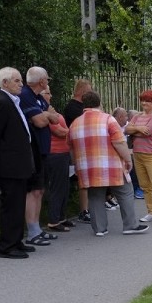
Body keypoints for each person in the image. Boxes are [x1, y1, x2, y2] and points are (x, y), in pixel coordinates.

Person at [68, 91, 148, 237]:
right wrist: (128, 160)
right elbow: (119, 142)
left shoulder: (75, 123)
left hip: (88, 167)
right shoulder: (108, 120)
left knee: (95, 196)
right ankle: (130, 225)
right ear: (100, 103)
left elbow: (72, 148)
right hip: (111, 165)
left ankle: (99, 228)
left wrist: (77, 165)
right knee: (125, 192)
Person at [0, 67, 37, 259]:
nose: (21, 84)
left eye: (21, 81)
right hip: (9, 163)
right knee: (11, 204)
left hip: (17, 162)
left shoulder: (12, 101)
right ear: (5, 83)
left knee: (18, 203)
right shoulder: (2, 103)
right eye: (17, 81)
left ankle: (16, 241)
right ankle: (6, 247)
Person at [20, 66, 61, 247]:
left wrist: (46, 115)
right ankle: (32, 231)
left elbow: (55, 117)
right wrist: (46, 115)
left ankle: (36, 228)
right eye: (47, 80)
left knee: (40, 190)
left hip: (43, 148)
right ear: (42, 81)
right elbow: (39, 121)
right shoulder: (26, 95)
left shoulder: (37, 98)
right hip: (33, 149)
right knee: (34, 190)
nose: (48, 83)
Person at [126, 89, 152, 225]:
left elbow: (148, 132)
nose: (144, 103)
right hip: (138, 153)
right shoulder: (137, 116)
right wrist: (139, 129)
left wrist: (135, 130)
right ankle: (151, 213)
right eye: (143, 100)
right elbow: (126, 130)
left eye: (148, 101)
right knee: (145, 186)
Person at [41, 88, 73, 233]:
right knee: (57, 187)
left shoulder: (51, 111)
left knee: (64, 187)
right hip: (55, 154)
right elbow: (59, 132)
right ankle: (53, 220)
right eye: (47, 93)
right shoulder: (44, 112)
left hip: (63, 153)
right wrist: (73, 131)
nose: (51, 94)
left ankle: (61, 217)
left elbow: (63, 129)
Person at [63, 79, 93, 224]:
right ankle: (83, 210)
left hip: (83, 147)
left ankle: (87, 208)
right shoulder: (73, 108)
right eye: (88, 91)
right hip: (76, 148)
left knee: (85, 179)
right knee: (82, 180)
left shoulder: (81, 107)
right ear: (81, 91)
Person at [112, 106, 142, 200]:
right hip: (115, 154)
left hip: (127, 151)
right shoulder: (112, 126)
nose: (127, 118)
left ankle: (138, 188)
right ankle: (134, 189)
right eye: (126, 116)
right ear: (120, 117)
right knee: (133, 161)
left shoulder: (127, 126)